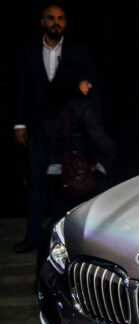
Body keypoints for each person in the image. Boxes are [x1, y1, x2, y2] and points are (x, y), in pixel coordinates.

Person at [13, 5, 98, 253]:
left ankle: (68, 238)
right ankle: (34, 235)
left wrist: (92, 124)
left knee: (70, 181)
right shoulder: (30, 51)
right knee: (36, 180)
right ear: (43, 22)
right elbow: (21, 88)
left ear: (66, 22)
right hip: (39, 126)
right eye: (51, 18)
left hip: (69, 128)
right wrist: (19, 122)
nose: (56, 23)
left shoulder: (77, 50)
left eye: (60, 18)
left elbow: (91, 86)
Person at [39, 63, 115, 269]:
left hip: (56, 172)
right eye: (85, 81)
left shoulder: (51, 106)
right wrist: (110, 152)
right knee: (90, 224)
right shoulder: (83, 107)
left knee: (56, 223)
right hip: (80, 176)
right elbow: (101, 142)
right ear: (75, 83)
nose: (89, 86)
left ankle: (45, 270)